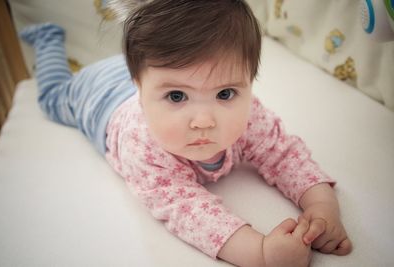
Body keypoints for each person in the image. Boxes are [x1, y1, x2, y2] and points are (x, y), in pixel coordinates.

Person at [19, 0, 352, 266]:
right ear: (140, 89)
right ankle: (49, 39)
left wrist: (322, 208)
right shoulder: (143, 146)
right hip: (96, 97)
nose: (203, 121)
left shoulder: (250, 115)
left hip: (140, 76)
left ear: (250, 83)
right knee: (51, 98)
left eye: (225, 94)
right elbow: (185, 208)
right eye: (177, 97)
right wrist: (261, 253)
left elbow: (283, 153)